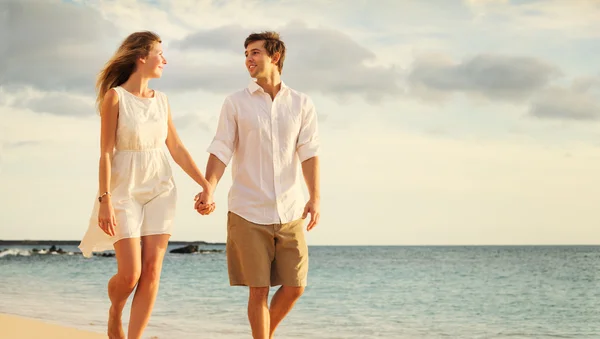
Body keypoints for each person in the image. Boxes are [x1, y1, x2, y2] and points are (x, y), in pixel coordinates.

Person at [78, 31, 215, 339]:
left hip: (161, 187)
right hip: (124, 188)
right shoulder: (115, 97)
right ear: (142, 57)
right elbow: (106, 152)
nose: (164, 60)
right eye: (160, 54)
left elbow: (177, 148)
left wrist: (206, 185)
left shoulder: (162, 101)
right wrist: (105, 199)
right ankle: (115, 311)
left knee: (152, 271)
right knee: (130, 275)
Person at [195, 31, 321, 339]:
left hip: (290, 210)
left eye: (255, 53)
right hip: (247, 210)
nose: (248, 59)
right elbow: (221, 148)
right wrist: (208, 187)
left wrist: (315, 197)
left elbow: (309, 152)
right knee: (259, 290)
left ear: (274, 57)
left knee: (295, 286)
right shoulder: (236, 103)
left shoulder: (302, 103)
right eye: (246, 54)